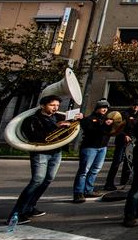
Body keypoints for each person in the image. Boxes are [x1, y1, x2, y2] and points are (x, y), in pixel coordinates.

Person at [7, 95, 83, 225]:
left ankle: (30, 207)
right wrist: (56, 127)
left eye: (57, 106)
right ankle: (16, 213)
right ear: (43, 105)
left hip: (56, 152)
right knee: (37, 181)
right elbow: (35, 136)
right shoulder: (32, 119)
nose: (55, 108)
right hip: (40, 152)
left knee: (48, 179)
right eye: (52, 105)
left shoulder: (59, 116)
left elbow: (73, 126)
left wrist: (80, 118)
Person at [73, 99, 115, 203]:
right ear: (97, 108)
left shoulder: (106, 119)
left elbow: (109, 132)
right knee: (84, 171)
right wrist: (105, 125)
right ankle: (78, 193)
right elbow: (92, 131)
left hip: (102, 147)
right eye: (102, 107)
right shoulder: (89, 119)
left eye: (106, 108)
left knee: (95, 169)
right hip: (90, 147)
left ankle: (88, 190)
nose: (105, 109)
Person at [104, 100, 138, 191]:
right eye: (135, 105)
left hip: (132, 140)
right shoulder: (124, 114)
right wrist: (124, 135)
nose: (136, 107)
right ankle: (109, 183)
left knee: (129, 161)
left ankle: (124, 179)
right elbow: (118, 127)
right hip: (122, 140)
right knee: (117, 161)